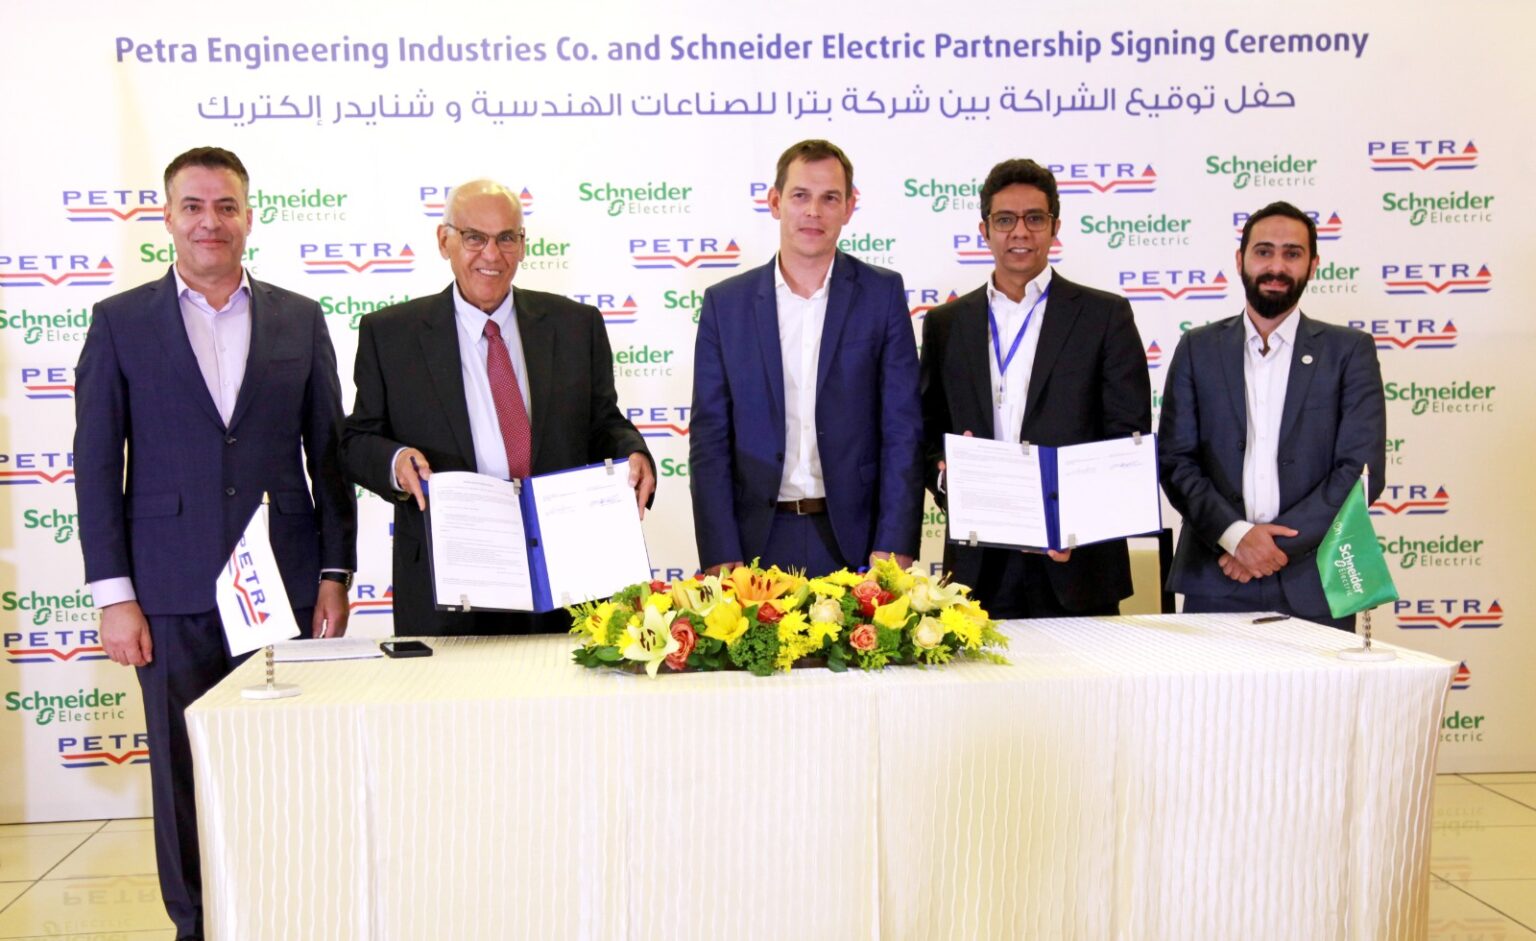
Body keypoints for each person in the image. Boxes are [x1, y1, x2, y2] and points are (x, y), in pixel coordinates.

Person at [73, 146, 356, 941]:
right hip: (169, 590)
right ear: (167, 218)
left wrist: (335, 571)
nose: (210, 221)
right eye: (193, 206)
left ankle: (286, 912)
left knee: (285, 763)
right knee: (181, 770)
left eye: (226, 206)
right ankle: (197, 924)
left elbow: (329, 454)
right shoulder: (120, 322)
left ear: (249, 217)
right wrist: (115, 595)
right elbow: (95, 463)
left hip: (285, 586)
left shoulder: (300, 317)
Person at [340, 179, 653, 635]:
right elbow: (356, 440)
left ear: (522, 245)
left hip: (566, 576)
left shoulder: (575, 326)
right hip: (449, 580)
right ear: (444, 241)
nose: (492, 254)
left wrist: (633, 453)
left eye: (506, 238)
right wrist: (396, 460)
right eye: (474, 238)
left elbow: (604, 423)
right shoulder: (391, 335)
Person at [920, 158, 1151, 617]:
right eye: (1005, 220)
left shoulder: (1104, 316)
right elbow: (927, 433)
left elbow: (1127, 438)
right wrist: (948, 474)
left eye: (1034, 218)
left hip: (1075, 563)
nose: (1020, 232)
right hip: (977, 567)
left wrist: (1077, 523)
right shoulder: (946, 324)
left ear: (1055, 227)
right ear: (985, 230)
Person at [690, 139, 923, 577]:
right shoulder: (726, 304)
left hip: (858, 542)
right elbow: (710, 438)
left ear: (849, 207)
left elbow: (902, 430)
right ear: (775, 202)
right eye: (800, 195)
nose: (814, 211)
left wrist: (894, 544)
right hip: (755, 542)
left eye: (829, 198)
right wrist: (719, 549)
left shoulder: (881, 295)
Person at [1159, 201, 1386, 630]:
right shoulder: (1197, 349)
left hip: (1315, 580)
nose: (1276, 266)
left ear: (1313, 264)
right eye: (1264, 251)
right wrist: (1236, 536)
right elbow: (1176, 462)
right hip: (1216, 575)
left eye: (1292, 253)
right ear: (1240, 259)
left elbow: (1361, 471)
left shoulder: (1348, 352)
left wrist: (1270, 547)